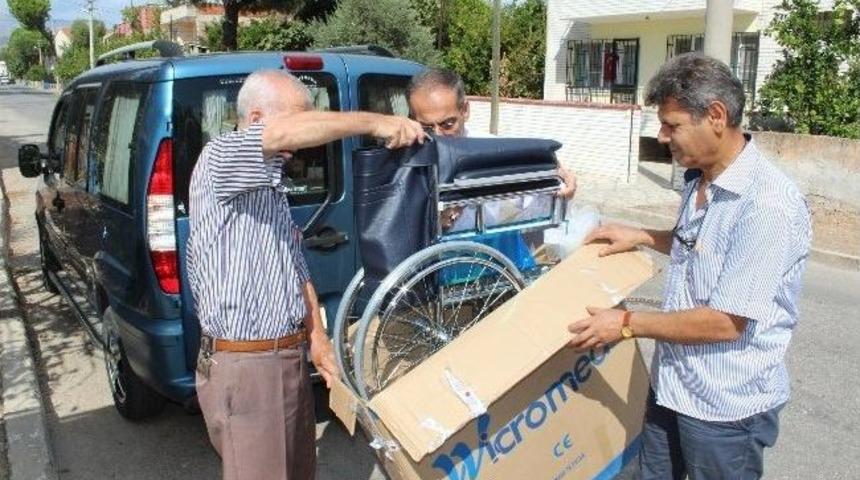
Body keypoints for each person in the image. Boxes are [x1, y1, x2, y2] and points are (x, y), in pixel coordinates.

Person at [567, 53, 812, 479]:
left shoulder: (767, 204)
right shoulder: (701, 178)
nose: (662, 137)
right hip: (672, 386)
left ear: (715, 116)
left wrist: (625, 323)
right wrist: (644, 235)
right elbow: (702, 244)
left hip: (724, 410)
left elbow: (726, 322)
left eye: (672, 125)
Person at [187, 69, 425, 480]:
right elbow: (283, 135)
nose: (305, 137)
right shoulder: (219, 158)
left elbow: (294, 268)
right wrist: (376, 121)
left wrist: (317, 338)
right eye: (299, 119)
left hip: (285, 358)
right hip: (249, 368)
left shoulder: (271, 189)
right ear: (258, 118)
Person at [406, 68, 577, 234]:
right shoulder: (403, 163)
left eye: (448, 124)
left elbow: (539, 207)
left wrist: (553, 180)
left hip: (487, 256)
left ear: (465, 110)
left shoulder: (492, 153)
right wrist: (431, 222)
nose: (437, 135)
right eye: (426, 127)